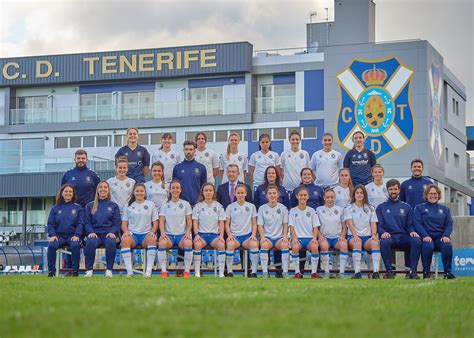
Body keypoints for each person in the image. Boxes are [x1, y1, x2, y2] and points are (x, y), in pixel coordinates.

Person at [376, 179, 421, 279]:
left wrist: (413, 232)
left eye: (395, 189)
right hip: (389, 237)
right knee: (384, 241)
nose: (393, 191)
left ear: (399, 190)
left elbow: (410, 225)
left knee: (416, 241)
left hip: (403, 237)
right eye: (391, 189)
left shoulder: (407, 207)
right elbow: (379, 225)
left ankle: (412, 272)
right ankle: (389, 272)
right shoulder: (381, 207)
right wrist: (383, 232)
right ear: (387, 191)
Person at [414, 185, 455, 279]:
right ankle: (426, 273)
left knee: (447, 245)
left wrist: (446, 236)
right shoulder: (419, 208)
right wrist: (424, 235)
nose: (433, 196)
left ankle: (447, 273)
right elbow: (417, 223)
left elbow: (449, 223)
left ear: (438, 195)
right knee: (428, 245)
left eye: (435, 193)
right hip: (426, 237)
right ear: (426, 195)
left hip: (440, 238)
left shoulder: (445, 209)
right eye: (430, 193)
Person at [120, 183, 159, 277]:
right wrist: (126, 232)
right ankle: (129, 271)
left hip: (145, 234)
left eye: (142, 191)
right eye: (137, 191)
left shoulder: (150, 204)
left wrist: (152, 232)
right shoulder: (128, 206)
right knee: (125, 240)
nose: (139, 193)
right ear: (133, 192)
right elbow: (124, 223)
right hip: (133, 234)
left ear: (145, 193)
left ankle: (148, 271)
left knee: (152, 239)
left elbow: (155, 222)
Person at [84, 181, 121, 278]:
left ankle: (109, 270)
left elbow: (116, 223)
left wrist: (112, 232)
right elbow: (87, 222)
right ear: (97, 190)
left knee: (110, 241)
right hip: (95, 234)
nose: (103, 189)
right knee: (90, 242)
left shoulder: (114, 206)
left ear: (108, 190)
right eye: (100, 187)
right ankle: (89, 270)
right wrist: (91, 232)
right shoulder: (90, 206)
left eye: (105, 187)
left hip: (108, 234)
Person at [343, 185, 381, 279]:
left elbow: (373, 223)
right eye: (357, 193)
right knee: (357, 242)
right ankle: (357, 272)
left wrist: (373, 235)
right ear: (354, 195)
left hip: (367, 237)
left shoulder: (370, 208)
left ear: (364, 195)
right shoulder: (348, 208)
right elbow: (350, 224)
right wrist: (355, 236)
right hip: (353, 237)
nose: (359, 195)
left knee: (375, 243)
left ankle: (376, 272)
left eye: (361, 193)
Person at [157, 180, 194, 278]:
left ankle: (186, 272)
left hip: (181, 235)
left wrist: (187, 233)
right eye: (173, 188)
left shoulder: (186, 204)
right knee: (161, 243)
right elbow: (161, 221)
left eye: (177, 188)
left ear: (181, 190)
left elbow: (189, 221)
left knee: (188, 243)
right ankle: (164, 271)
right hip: (169, 235)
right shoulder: (165, 205)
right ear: (169, 190)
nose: (175, 190)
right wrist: (163, 233)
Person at [46, 184, 84, 277]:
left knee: (75, 245)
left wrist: (77, 235)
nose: (68, 193)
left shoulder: (78, 208)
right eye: (66, 191)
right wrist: (52, 235)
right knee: (51, 246)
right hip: (59, 236)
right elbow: (50, 224)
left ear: (73, 194)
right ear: (62, 193)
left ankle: (75, 271)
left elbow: (80, 224)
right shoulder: (55, 208)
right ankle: (51, 271)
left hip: (72, 235)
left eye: (70, 191)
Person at [192, 183, 226, 277]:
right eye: (206, 190)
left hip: (214, 236)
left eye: (210, 190)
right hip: (202, 235)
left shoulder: (219, 206)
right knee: (197, 245)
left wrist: (221, 236)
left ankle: (221, 273)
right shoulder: (198, 206)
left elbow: (221, 222)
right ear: (202, 192)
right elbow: (195, 221)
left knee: (221, 245)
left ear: (213, 192)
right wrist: (196, 234)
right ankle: (197, 272)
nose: (208, 192)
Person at [225, 184, 259, 277]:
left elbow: (254, 222)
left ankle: (254, 272)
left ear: (246, 194)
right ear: (235, 194)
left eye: (242, 193)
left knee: (254, 244)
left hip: (247, 236)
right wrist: (229, 234)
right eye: (238, 193)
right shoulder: (230, 207)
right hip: (235, 237)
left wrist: (253, 234)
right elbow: (227, 223)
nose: (240, 195)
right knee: (230, 244)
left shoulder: (251, 206)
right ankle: (230, 271)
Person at [257, 185, 290, 278]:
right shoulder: (262, 208)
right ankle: (265, 273)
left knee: (285, 245)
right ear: (266, 195)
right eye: (270, 193)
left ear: (278, 195)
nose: (272, 195)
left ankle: (285, 272)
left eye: (274, 193)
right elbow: (260, 225)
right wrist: (263, 237)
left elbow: (285, 224)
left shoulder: (283, 208)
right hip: (267, 238)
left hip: (279, 238)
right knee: (263, 245)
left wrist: (284, 236)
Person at [316, 189, 349, 278]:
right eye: (327, 197)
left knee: (344, 245)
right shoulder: (319, 210)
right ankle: (326, 272)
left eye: (332, 197)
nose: (329, 199)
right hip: (325, 237)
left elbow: (345, 226)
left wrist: (342, 236)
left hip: (336, 238)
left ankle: (341, 273)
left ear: (334, 198)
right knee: (324, 246)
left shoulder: (340, 210)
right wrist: (320, 236)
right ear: (324, 198)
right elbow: (315, 227)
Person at [289, 186, 321, 279]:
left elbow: (315, 227)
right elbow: (291, 226)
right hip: (298, 238)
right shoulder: (293, 211)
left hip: (309, 238)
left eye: (305, 195)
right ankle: (297, 272)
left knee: (315, 246)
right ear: (297, 196)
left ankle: (314, 272)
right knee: (294, 247)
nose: (303, 197)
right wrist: (294, 238)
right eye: (300, 195)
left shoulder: (311, 211)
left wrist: (314, 239)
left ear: (308, 197)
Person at [172, 141, 207, 207]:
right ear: (183, 150)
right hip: (181, 204)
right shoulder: (177, 168)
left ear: (194, 151)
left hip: (197, 204)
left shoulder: (201, 167)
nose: (188, 151)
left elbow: (203, 187)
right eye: (186, 149)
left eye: (191, 149)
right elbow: (174, 188)